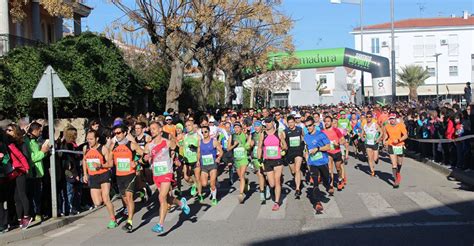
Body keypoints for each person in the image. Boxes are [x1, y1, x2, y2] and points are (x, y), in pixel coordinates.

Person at [145, 122, 189, 234]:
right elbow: (143, 158)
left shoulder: (168, 143)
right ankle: (181, 203)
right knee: (167, 199)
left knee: (161, 197)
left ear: (161, 130)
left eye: (154, 128)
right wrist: (145, 158)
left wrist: (178, 160)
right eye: (151, 129)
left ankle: (160, 224)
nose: (152, 130)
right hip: (157, 174)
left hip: (167, 173)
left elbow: (178, 149)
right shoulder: (149, 145)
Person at [109, 124, 143, 232]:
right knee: (125, 200)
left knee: (129, 197)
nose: (117, 135)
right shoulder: (113, 146)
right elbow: (109, 162)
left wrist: (136, 162)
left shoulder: (131, 145)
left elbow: (144, 155)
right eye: (115, 133)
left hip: (130, 175)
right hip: (119, 176)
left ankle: (129, 222)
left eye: (119, 133)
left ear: (124, 133)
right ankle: (142, 189)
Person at [82, 129, 117, 229]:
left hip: (103, 175)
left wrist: (100, 165)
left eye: (91, 139)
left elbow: (110, 164)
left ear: (97, 139)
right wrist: (85, 173)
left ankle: (113, 220)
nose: (89, 141)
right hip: (93, 177)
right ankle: (111, 193)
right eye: (87, 139)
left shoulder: (103, 149)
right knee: (97, 202)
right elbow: (84, 160)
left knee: (106, 200)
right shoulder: (86, 148)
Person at [303, 117, 333, 214]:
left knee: (326, 180)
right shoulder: (306, 137)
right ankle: (317, 203)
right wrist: (307, 161)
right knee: (315, 183)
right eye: (306, 126)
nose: (308, 128)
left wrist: (317, 149)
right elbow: (306, 150)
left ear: (314, 125)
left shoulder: (321, 134)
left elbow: (328, 147)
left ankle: (328, 186)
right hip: (313, 163)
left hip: (323, 162)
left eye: (310, 126)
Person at [257, 117, 287, 211]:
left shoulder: (279, 133)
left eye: (269, 122)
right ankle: (272, 189)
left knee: (277, 181)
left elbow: (285, 146)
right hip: (267, 160)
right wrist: (259, 159)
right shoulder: (263, 134)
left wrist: (283, 148)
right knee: (272, 183)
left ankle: (277, 202)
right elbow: (259, 147)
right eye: (266, 123)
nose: (268, 124)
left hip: (277, 160)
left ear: (273, 123)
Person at [5, 124, 32, 229]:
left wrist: (26, 168)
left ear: (15, 132)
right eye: (6, 130)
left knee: (22, 194)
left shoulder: (17, 144)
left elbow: (21, 156)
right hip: (12, 173)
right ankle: (19, 219)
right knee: (16, 197)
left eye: (10, 130)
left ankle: (27, 216)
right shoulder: (8, 143)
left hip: (20, 171)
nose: (7, 131)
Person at [24, 122, 49, 222]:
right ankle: (34, 214)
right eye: (39, 130)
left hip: (39, 172)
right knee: (33, 195)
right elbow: (32, 158)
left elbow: (40, 156)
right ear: (33, 130)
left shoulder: (35, 141)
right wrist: (42, 152)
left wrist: (45, 151)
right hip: (32, 172)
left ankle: (38, 213)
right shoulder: (27, 142)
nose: (40, 133)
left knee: (38, 195)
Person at [197, 125, 223, 205]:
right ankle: (213, 185)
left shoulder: (214, 141)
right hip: (204, 165)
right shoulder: (200, 142)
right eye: (202, 132)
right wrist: (198, 160)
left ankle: (214, 198)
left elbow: (221, 151)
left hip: (213, 165)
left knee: (212, 183)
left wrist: (218, 158)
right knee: (204, 184)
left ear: (209, 132)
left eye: (205, 132)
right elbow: (198, 152)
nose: (204, 133)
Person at [228, 122, 251, 203]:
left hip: (244, 159)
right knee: (241, 177)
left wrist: (248, 145)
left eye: (238, 127)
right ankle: (246, 181)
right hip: (236, 160)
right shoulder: (232, 136)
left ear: (241, 128)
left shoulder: (245, 135)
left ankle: (241, 194)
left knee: (241, 176)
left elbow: (249, 142)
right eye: (235, 128)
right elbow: (228, 148)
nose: (236, 129)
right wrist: (235, 145)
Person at [383, 112, 408, 188]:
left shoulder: (400, 125)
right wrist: (384, 140)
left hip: (399, 145)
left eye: (393, 119)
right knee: (394, 164)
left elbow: (405, 135)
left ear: (395, 119)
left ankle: (398, 173)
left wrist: (399, 140)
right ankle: (396, 180)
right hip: (391, 145)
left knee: (399, 162)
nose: (392, 121)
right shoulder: (387, 126)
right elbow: (386, 134)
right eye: (390, 119)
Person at [283, 116, 304, 199]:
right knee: (293, 171)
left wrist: (305, 147)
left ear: (294, 122)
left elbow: (304, 137)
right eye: (289, 123)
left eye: (292, 122)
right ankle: (297, 179)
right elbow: (282, 139)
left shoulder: (299, 129)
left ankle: (298, 189)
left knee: (297, 169)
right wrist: (283, 143)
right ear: (287, 123)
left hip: (298, 152)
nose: (291, 124)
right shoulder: (285, 131)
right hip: (289, 153)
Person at [322, 116, 345, 191]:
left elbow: (343, 140)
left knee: (338, 168)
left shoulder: (336, 130)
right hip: (328, 152)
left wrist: (338, 144)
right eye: (325, 121)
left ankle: (340, 179)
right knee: (330, 169)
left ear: (331, 122)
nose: (326, 123)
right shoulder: (322, 132)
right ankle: (331, 186)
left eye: (328, 121)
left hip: (337, 151)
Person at [250, 121, 269, 204]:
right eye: (255, 126)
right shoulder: (252, 134)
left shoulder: (265, 133)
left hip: (265, 157)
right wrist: (250, 145)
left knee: (265, 174)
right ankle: (262, 193)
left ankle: (267, 186)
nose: (256, 128)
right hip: (255, 158)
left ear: (261, 126)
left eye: (258, 126)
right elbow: (248, 145)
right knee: (260, 175)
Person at [182, 119, 201, 198]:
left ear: (193, 126)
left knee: (197, 177)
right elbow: (182, 147)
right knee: (186, 177)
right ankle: (194, 184)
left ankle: (199, 194)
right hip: (187, 160)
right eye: (186, 126)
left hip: (195, 159)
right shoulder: (184, 136)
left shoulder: (198, 136)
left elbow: (200, 148)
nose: (187, 127)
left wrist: (195, 148)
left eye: (189, 125)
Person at [361, 112, 383, 176]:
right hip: (367, 143)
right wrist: (362, 137)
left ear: (372, 117)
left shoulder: (375, 124)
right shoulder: (364, 126)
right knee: (370, 158)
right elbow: (361, 134)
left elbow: (381, 132)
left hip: (374, 143)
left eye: (370, 117)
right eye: (367, 117)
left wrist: (378, 139)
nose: (368, 118)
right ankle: (372, 171)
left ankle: (377, 159)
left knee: (375, 159)